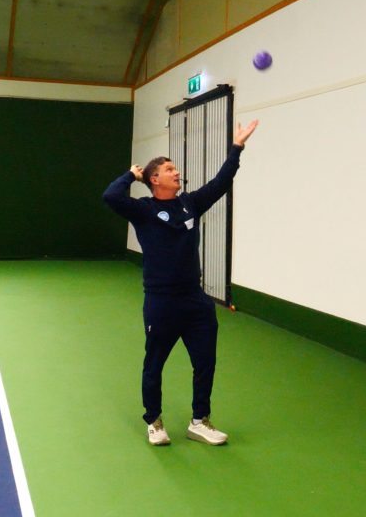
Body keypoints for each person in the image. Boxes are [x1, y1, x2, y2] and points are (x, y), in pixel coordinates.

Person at [103, 120, 258, 446]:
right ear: (155, 179)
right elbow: (111, 196)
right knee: (154, 363)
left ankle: (200, 421)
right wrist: (131, 175)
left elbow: (221, 182)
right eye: (170, 170)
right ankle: (154, 421)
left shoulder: (190, 203)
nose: (177, 173)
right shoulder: (143, 210)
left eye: (176, 169)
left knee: (205, 362)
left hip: (195, 301)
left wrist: (237, 147)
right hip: (161, 302)